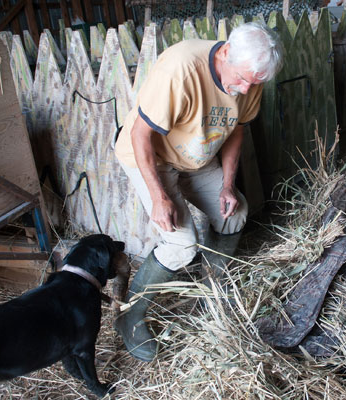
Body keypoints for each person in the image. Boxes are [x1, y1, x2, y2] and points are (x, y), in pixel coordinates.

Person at [113, 22, 284, 361]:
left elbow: (236, 130)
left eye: (256, 82)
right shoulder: (181, 69)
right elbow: (139, 135)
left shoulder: (250, 77)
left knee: (233, 215)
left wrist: (227, 185)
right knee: (181, 244)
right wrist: (160, 196)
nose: (247, 88)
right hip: (153, 158)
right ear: (224, 54)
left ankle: (214, 295)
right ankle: (129, 316)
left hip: (196, 155)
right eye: (243, 79)